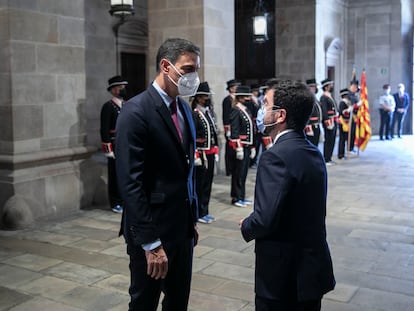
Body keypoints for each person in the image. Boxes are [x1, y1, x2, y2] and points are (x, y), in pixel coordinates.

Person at [115, 38, 200, 311]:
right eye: (187, 69)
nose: (193, 77)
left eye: (195, 70)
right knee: (144, 303)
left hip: (181, 229)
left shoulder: (184, 108)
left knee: (178, 301)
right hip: (152, 232)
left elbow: (184, 170)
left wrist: (191, 219)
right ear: (166, 66)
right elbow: (131, 183)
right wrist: (150, 243)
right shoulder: (135, 110)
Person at [239, 80, 336, 311]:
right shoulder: (313, 152)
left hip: (284, 277)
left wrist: (246, 225)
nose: (262, 110)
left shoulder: (275, 157)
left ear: (280, 115)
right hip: (311, 272)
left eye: (266, 104)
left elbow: (264, 219)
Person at [191, 81, 219, 224]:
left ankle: (204, 211)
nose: (207, 99)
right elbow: (192, 136)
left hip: (210, 153)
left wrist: (216, 149)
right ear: (198, 98)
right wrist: (195, 154)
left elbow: (213, 134)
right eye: (204, 96)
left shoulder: (207, 113)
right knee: (200, 185)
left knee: (208, 184)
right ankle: (198, 212)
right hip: (201, 155)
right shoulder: (195, 114)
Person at [100, 75, 128, 213]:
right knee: (115, 174)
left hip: (126, 144)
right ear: (114, 90)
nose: (123, 89)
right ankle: (115, 201)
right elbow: (104, 129)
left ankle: (123, 199)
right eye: (120, 87)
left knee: (125, 173)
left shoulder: (126, 104)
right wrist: (108, 148)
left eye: (123, 87)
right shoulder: (108, 106)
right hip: (115, 144)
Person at [229, 85, 256, 208]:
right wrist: (238, 147)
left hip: (246, 146)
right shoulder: (236, 110)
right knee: (238, 173)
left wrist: (252, 146)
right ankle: (236, 197)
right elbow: (235, 131)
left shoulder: (245, 109)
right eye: (245, 96)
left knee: (244, 172)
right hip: (240, 146)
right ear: (239, 98)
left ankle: (242, 196)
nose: (248, 99)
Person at [222, 79, 241, 176]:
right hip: (230, 127)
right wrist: (227, 129)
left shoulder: (236, 99)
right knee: (229, 148)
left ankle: (233, 166)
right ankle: (229, 168)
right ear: (231, 89)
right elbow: (226, 115)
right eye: (235, 87)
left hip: (235, 126)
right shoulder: (227, 100)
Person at [320, 79, 338, 165]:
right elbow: (324, 110)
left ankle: (329, 157)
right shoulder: (323, 97)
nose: (332, 86)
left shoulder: (329, 96)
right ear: (326, 87)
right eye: (330, 85)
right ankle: (326, 158)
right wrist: (327, 121)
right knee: (328, 140)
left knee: (332, 140)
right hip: (329, 121)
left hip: (333, 120)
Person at [305, 78, 322, 147]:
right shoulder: (307, 99)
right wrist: (308, 126)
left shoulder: (314, 98)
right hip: (310, 126)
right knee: (311, 144)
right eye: (313, 87)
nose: (315, 88)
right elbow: (306, 114)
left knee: (315, 144)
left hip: (316, 125)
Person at [337, 88, 352, 159]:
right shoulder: (342, 103)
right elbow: (342, 113)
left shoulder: (348, 102)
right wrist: (348, 110)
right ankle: (340, 154)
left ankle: (343, 153)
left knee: (345, 138)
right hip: (343, 122)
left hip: (347, 122)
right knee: (342, 139)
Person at [348, 79, 362, 152]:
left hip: (356, 116)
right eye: (355, 87)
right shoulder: (348, 95)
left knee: (354, 133)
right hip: (350, 116)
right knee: (351, 133)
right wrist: (356, 105)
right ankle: (349, 148)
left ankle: (352, 147)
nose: (356, 89)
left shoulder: (355, 95)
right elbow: (350, 105)